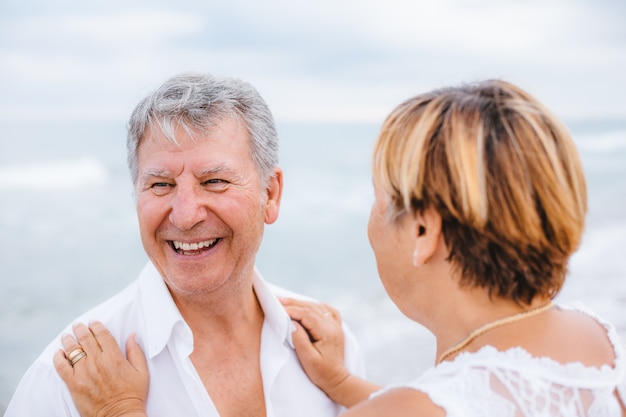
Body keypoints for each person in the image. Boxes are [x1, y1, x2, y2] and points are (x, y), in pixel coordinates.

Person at [49, 79, 626, 417]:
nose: (186, 209)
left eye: (380, 199)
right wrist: (349, 387)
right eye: (159, 184)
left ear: (423, 233)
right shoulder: (599, 346)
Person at [3, 72, 365, 417]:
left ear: (270, 194)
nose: (185, 215)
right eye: (161, 185)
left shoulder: (330, 349)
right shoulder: (69, 377)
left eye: (214, 181)